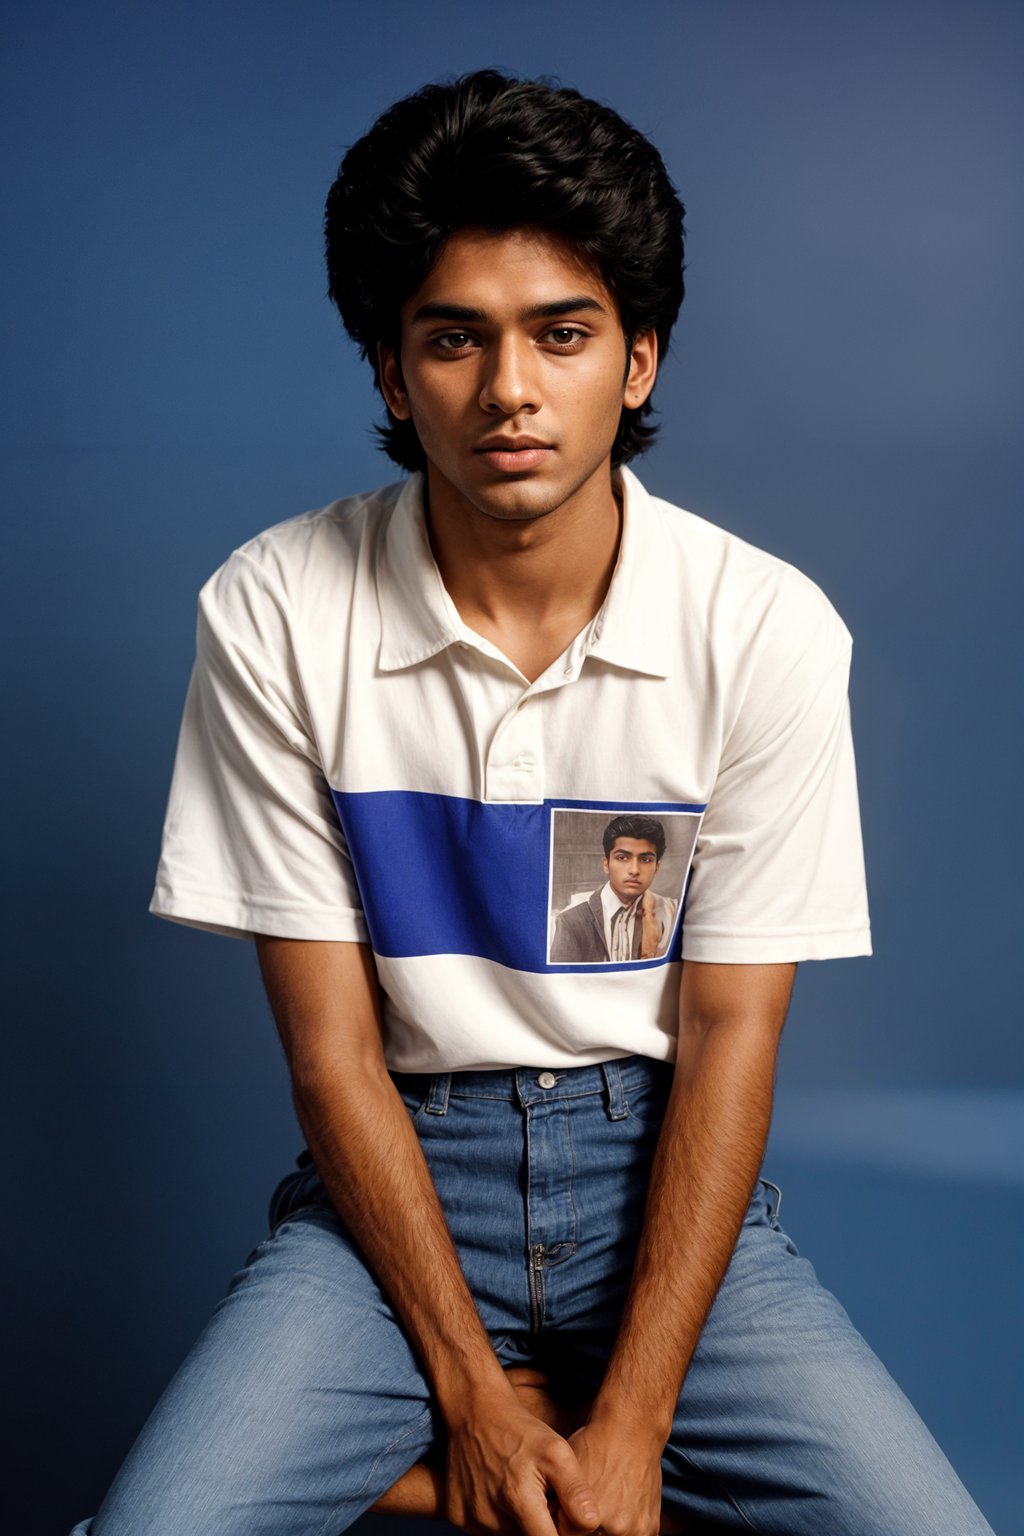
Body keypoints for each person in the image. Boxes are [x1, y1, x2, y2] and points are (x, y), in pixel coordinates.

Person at [71, 69, 996, 1536]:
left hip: (664, 1180)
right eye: (455, 340)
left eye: (561, 335)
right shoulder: (275, 608)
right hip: (394, 1192)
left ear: (637, 360)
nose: (509, 391)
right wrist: (473, 1396)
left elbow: (729, 1038)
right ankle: (474, 1463)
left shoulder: (763, 628)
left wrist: (630, 1424)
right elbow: (329, 1052)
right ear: (390, 372)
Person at [551, 814, 679, 963]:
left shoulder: (669, 913)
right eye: (622, 858)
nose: (634, 870)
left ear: (656, 868)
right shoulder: (571, 921)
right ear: (606, 864)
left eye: (645, 860)